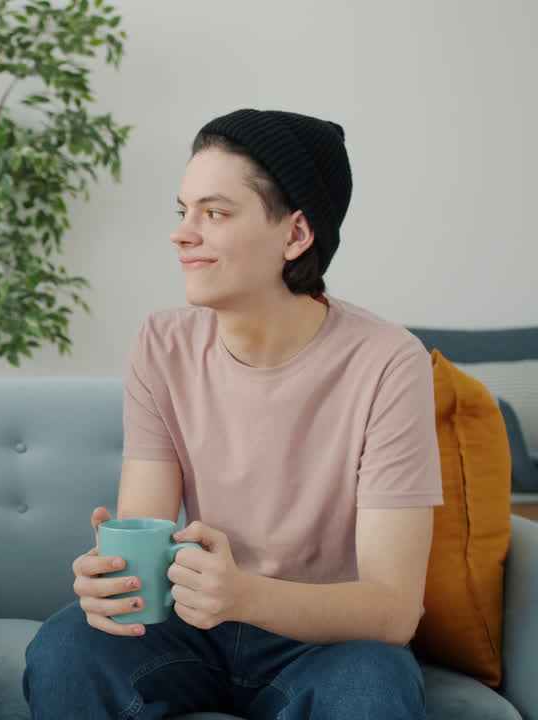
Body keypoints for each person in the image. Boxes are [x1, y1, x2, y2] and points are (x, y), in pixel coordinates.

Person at [23, 109, 442, 719]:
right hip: (193, 626)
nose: (182, 234)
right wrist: (114, 582)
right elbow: (144, 532)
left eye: (214, 214)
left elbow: (393, 609)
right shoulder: (161, 345)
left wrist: (243, 595)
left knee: (372, 689)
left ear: (296, 235)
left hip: (325, 641)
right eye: (183, 211)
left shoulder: (388, 361)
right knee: (66, 647)